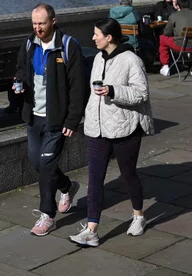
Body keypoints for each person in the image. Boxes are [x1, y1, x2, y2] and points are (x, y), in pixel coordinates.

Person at [69, 18, 155, 247]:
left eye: (96, 34)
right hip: (97, 128)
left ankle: (139, 216)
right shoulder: (98, 58)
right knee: (95, 179)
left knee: (128, 175)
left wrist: (113, 91)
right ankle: (91, 230)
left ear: (109, 37)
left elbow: (141, 93)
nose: (93, 38)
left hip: (124, 127)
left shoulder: (131, 60)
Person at [13, 3, 87, 237]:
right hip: (33, 115)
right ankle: (67, 186)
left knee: (46, 165)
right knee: (37, 162)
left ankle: (47, 215)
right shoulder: (29, 44)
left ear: (53, 22)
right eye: (34, 24)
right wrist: (19, 82)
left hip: (56, 118)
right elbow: (21, 69)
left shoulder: (68, 46)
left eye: (42, 24)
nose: (37, 28)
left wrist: (72, 120)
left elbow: (78, 87)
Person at [158, 0, 192, 76]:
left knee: (162, 38)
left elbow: (166, 32)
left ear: (178, 6)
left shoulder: (174, 15)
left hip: (181, 45)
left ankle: (165, 66)